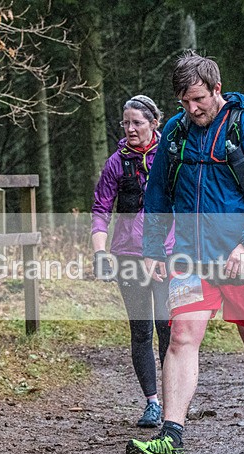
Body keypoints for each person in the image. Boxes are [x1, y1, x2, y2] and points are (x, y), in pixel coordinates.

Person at [125, 50, 244, 454]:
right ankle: (171, 436)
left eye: (198, 99)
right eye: (184, 102)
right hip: (190, 257)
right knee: (181, 337)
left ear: (216, 89)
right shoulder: (176, 134)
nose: (192, 108)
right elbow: (157, 194)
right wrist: (152, 249)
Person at [91, 95, 173, 428]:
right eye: (126, 123)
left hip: (166, 254)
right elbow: (100, 210)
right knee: (140, 331)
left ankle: (173, 402)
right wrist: (100, 252)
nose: (130, 129)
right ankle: (152, 403)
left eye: (137, 122)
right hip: (127, 257)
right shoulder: (116, 162)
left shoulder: (170, 157)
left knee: (167, 330)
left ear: (155, 123)